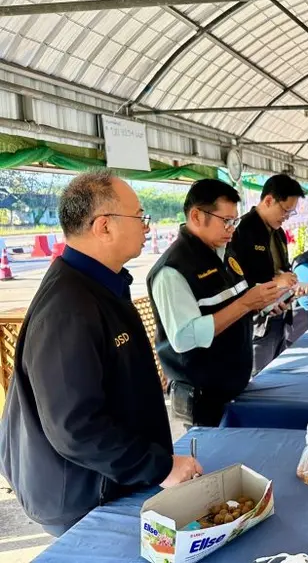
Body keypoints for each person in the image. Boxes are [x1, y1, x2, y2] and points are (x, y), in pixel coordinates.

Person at [0, 172, 202, 537]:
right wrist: (158, 467)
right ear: (104, 226)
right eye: (140, 216)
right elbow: (75, 427)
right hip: (82, 494)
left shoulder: (101, 285)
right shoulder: (68, 308)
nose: (146, 226)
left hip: (112, 477)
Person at [147, 179, 280, 427]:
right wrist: (245, 304)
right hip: (203, 400)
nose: (232, 228)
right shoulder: (173, 270)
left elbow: (233, 305)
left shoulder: (225, 253)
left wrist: (262, 304)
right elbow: (184, 337)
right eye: (226, 221)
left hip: (234, 386)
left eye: (235, 221)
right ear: (196, 216)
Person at [231, 174, 305, 374]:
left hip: (279, 313)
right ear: (268, 200)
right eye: (285, 210)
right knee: (258, 379)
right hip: (258, 321)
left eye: (291, 212)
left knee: (278, 374)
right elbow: (234, 281)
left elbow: (281, 267)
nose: (286, 217)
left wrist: (288, 281)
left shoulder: (278, 232)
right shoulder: (242, 231)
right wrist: (275, 281)